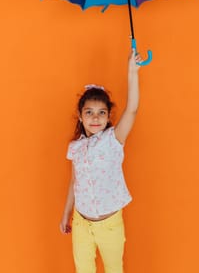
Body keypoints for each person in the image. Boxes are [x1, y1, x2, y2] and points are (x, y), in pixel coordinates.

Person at [60, 49, 143, 273]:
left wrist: (132, 70)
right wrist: (67, 212)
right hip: (80, 223)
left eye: (101, 113)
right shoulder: (75, 147)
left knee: (114, 269)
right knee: (83, 269)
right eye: (89, 112)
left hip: (110, 225)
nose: (95, 118)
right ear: (80, 116)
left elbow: (132, 109)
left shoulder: (114, 139)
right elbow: (74, 182)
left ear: (108, 117)